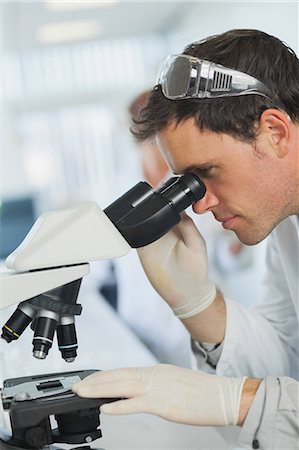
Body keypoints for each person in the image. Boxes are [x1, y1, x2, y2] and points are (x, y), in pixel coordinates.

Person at [72, 29, 299, 448]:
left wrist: (239, 402)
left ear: (275, 132)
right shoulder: (288, 223)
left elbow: (263, 393)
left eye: (206, 173)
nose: (198, 205)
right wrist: (197, 304)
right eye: (188, 183)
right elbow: (283, 360)